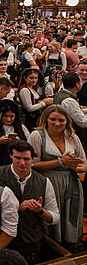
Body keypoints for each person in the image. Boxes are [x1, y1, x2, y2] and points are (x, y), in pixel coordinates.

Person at [0, 140, 59, 264]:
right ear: (10, 156)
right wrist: (16, 208)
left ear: (32, 159)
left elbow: (54, 218)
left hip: (31, 242)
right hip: (2, 241)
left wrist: (40, 211)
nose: (22, 163)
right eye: (17, 158)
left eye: (26, 159)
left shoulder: (44, 181)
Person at [28, 106, 87, 250]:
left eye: (61, 120)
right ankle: (53, 248)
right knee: (51, 216)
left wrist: (75, 167)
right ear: (46, 120)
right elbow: (32, 165)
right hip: (47, 182)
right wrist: (60, 162)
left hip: (71, 183)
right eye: (53, 119)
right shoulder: (37, 136)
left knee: (69, 216)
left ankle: (71, 245)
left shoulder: (72, 137)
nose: (57, 123)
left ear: (67, 121)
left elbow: (84, 165)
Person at [0, 100, 29, 170]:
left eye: (11, 116)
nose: (9, 119)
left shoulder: (22, 127)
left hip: (18, 164)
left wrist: (19, 142)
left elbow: (29, 146)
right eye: (5, 116)